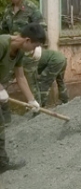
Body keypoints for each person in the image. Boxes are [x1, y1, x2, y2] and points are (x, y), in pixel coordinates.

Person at [0, 23, 44, 173]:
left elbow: (20, 76)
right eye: (34, 46)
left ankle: (2, 163)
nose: (33, 50)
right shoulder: (2, 43)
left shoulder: (19, 52)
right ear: (27, 41)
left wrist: (31, 100)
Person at [0, 0, 46, 120]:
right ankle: (6, 120)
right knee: (3, 87)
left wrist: (37, 48)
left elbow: (41, 29)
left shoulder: (31, 8)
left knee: (31, 82)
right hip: (8, 51)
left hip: (26, 53)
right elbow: (3, 30)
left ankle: (36, 115)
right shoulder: (8, 11)